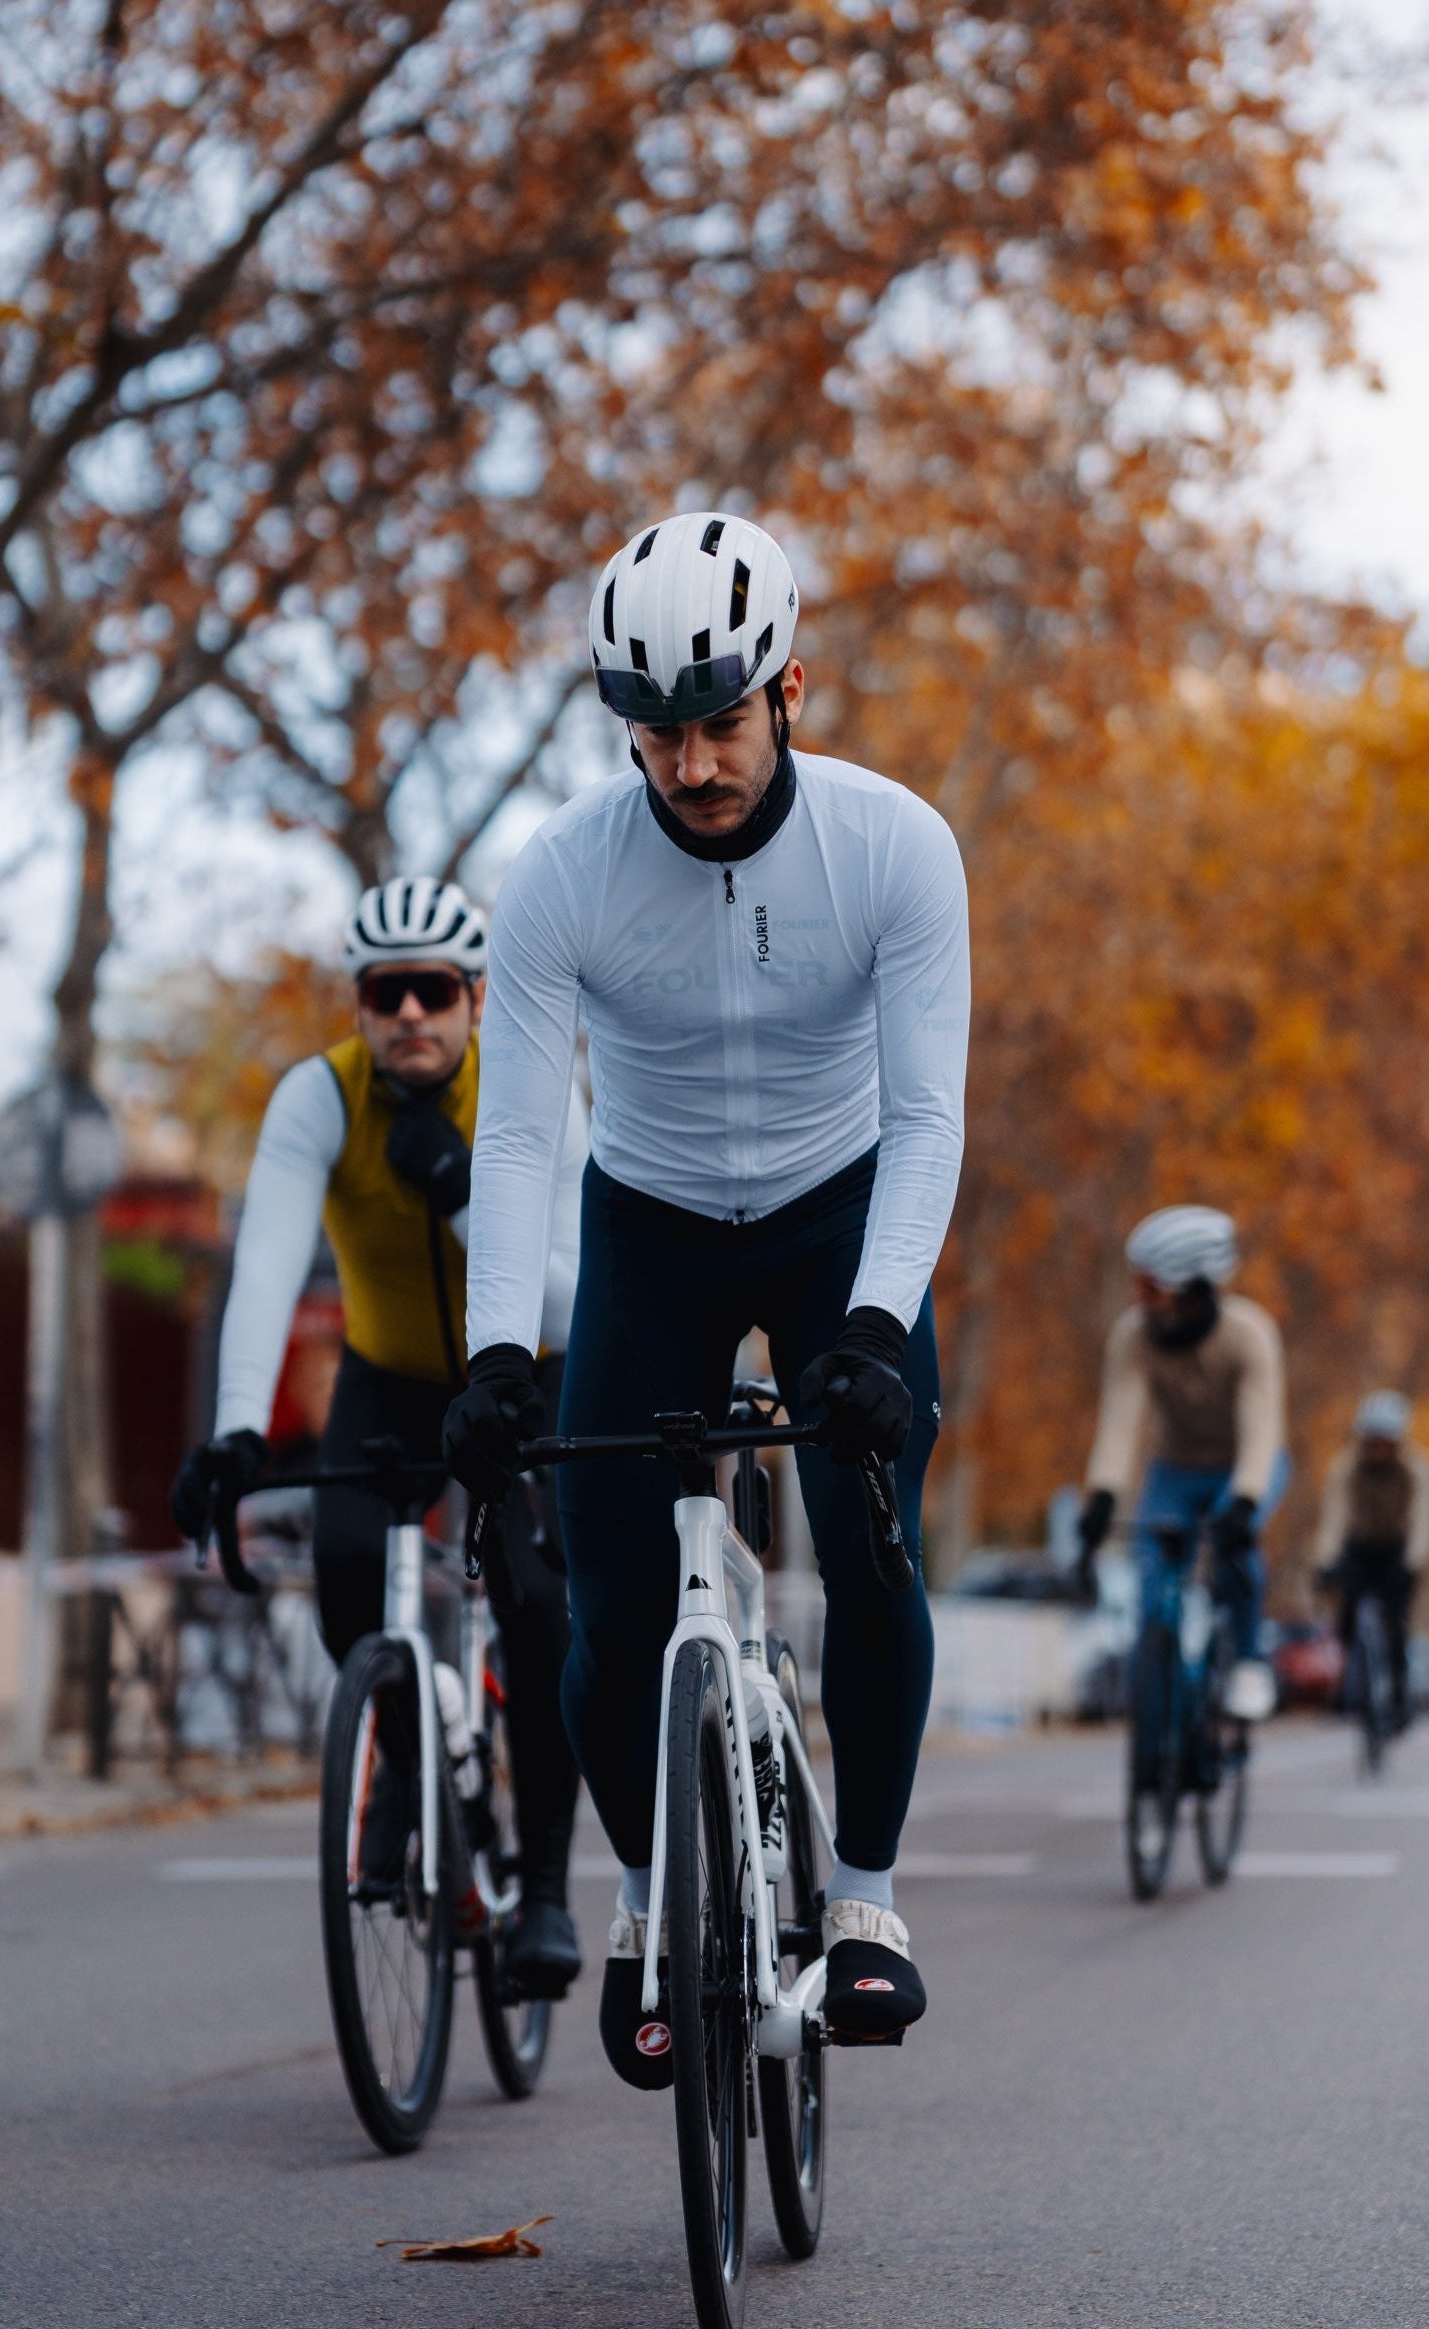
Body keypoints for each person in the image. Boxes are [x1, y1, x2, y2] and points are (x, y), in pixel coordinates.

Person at [440, 510, 969, 2088]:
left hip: (840, 1217)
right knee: (602, 1609)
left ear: (791, 687)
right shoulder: (562, 879)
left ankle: (863, 1903)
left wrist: (877, 1325)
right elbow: (524, 1131)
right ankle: (654, 1901)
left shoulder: (895, 847)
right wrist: (492, 1357)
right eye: (655, 735)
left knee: (873, 1545)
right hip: (652, 1227)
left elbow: (928, 1116)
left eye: (720, 722)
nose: (690, 767)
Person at [170, 877, 591, 1996]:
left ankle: (543, 1893)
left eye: (434, 990)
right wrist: (236, 1433)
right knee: (349, 1564)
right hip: (390, 1375)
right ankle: (404, 1762)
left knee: (537, 1605)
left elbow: (572, 1302)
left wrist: (461, 1193)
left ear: (477, 997)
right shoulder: (316, 1098)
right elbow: (263, 1264)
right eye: (384, 991)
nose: (410, 1012)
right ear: (356, 1006)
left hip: (521, 1378)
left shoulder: (531, 1085)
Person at [1077, 1206, 1290, 1767]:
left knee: (1236, 1550)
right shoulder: (1133, 1336)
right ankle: (1163, 1720)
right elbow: (1120, 1425)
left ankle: (1245, 1664)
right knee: (1154, 1589)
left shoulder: (1249, 1335)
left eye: (1149, 1286)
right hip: (1173, 1468)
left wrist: (1243, 1504)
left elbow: (1261, 1432)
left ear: (1191, 1285)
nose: (1138, 1297)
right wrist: (1100, 1498)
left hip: (1246, 1465)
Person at [1312, 1389, 1429, 1731]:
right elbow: (1334, 1517)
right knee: (1346, 1617)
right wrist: (1326, 1561)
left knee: (1396, 1624)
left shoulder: (1419, 1469)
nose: (1379, 1448)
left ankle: (1399, 1696)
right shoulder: (1346, 1467)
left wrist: (1414, 1562)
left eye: (1386, 1440)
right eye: (1374, 1440)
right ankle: (1347, 1684)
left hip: (1398, 1549)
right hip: (1360, 1545)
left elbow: (1423, 1519)